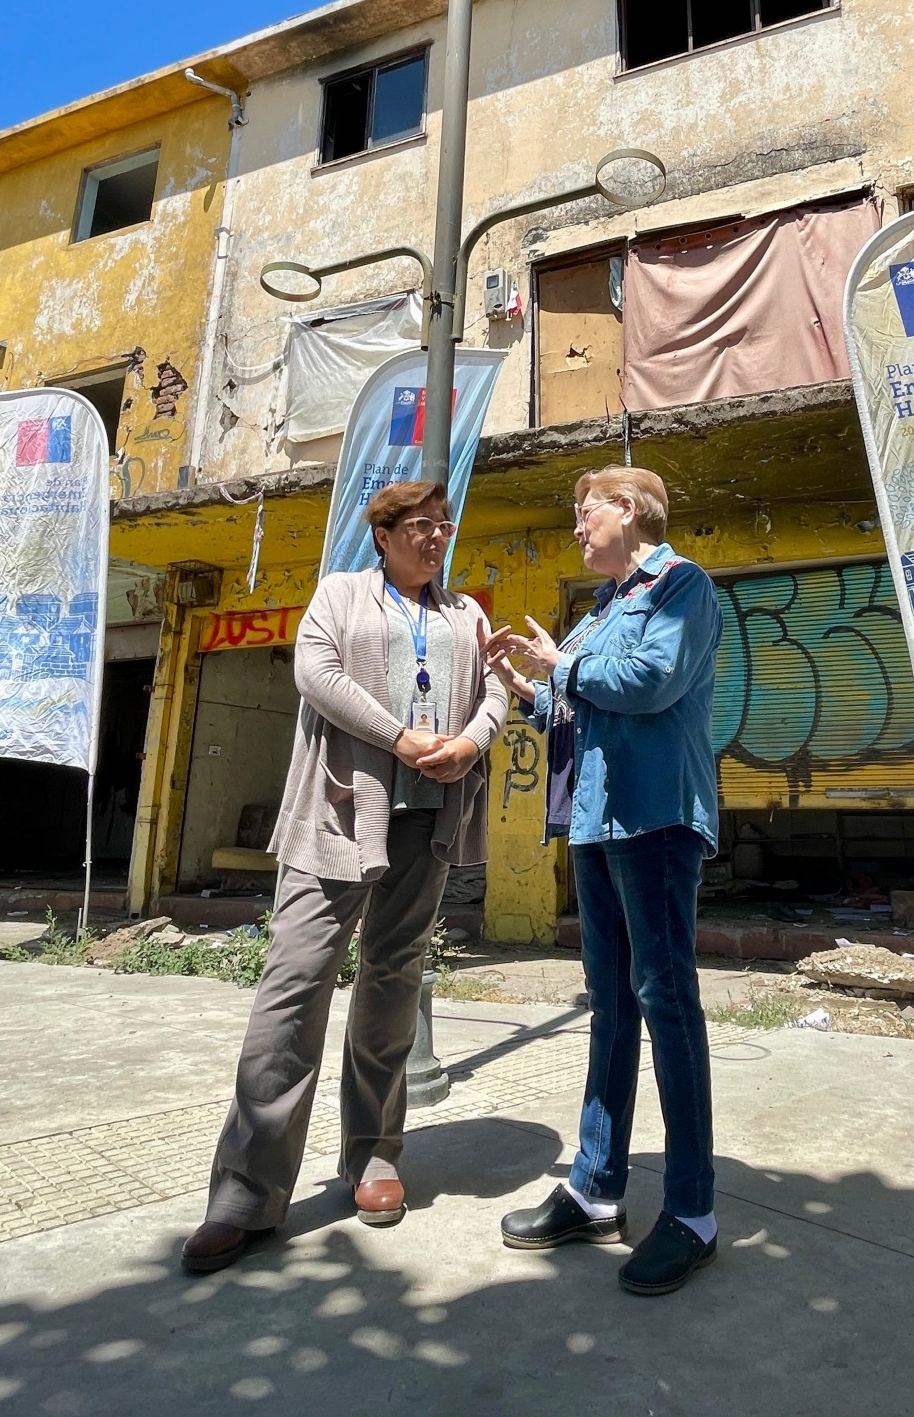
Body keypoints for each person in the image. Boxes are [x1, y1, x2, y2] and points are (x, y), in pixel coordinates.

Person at [181, 480, 507, 1274]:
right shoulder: (340, 595)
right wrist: (398, 736)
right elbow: (316, 676)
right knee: (293, 986)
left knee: (393, 982)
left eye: (444, 526)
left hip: (426, 822)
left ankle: (374, 1154)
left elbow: (497, 687)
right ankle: (246, 1192)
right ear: (386, 534)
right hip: (337, 819)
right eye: (422, 527)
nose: (437, 538)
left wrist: (471, 741)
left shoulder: (464, 614)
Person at [486, 465, 724, 1296]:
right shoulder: (600, 611)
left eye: (586, 514)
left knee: (666, 1000)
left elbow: (650, 684)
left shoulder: (680, 587)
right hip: (595, 821)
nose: (579, 530)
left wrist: (562, 668)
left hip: (656, 818)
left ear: (628, 512)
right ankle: (595, 1190)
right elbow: (576, 707)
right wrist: (528, 687)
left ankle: (693, 1213)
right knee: (611, 1006)